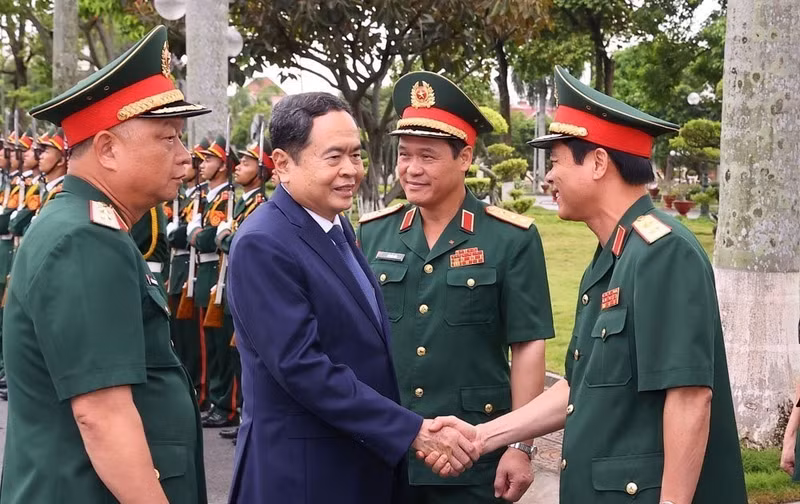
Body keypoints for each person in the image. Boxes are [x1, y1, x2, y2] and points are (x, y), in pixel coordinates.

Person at [424, 66, 748, 504]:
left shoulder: (662, 254)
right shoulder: (611, 258)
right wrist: (484, 435)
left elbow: (690, 398)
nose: (548, 177)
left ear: (598, 162)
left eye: (556, 161)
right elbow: (580, 386)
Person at [225, 92, 479, 504]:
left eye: (356, 155)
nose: (350, 171)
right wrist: (410, 430)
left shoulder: (335, 226)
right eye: (333, 157)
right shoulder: (264, 243)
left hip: (355, 463)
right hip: (303, 475)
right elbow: (302, 367)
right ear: (283, 164)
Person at [0, 25, 210, 503]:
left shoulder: (85, 225)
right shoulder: (85, 239)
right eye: (168, 139)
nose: (184, 158)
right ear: (109, 149)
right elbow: (102, 414)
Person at [357, 71, 554, 503]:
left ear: (464, 158)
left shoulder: (510, 239)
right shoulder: (373, 235)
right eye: (404, 155)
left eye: (427, 156)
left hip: (472, 455)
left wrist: (519, 447)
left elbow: (528, 345)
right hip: (388, 449)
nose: (411, 169)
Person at [215, 137, 274, 443]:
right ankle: (243, 417)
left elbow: (242, 247)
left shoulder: (260, 205)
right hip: (231, 285)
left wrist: (223, 236)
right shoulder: (242, 203)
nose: (238, 167)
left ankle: (248, 418)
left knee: (250, 362)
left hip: (249, 290)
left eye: (248, 163)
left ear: (263, 170)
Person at [188, 134, 238, 428]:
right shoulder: (209, 198)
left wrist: (201, 235)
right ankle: (214, 397)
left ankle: (225, 403)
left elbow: (207, 240)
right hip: (203, 275)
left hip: (217, 275)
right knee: (210, 347)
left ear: (222, 165)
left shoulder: (226, 199)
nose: (202, 164)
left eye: (209, 159)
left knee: (221, 349)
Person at [167, 137, 210, 401]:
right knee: (182, 338)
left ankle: (206, 394)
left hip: (202, 271)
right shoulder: (187, 198)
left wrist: (187, 232)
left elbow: (202, 239)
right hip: (181, 270)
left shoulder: (206, 199)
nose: (201, 166)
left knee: (202, 344)